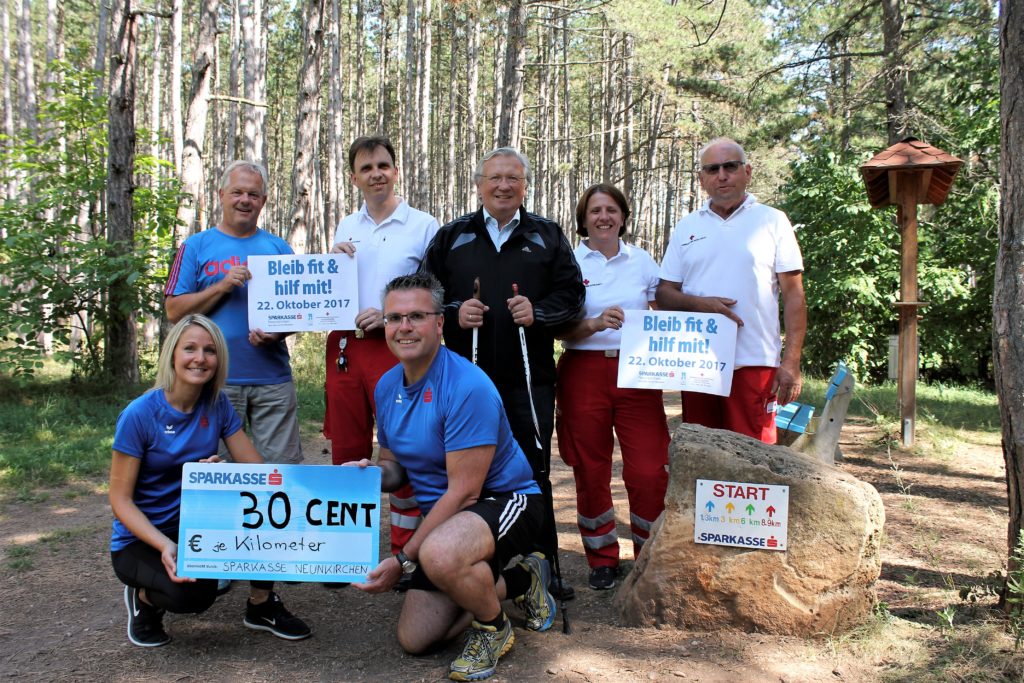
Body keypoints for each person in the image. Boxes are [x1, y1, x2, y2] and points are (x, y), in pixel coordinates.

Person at [348, 273, 556, 682]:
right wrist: (368, 476)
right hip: (451, 521)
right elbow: (395, 468)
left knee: (439, 554)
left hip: (506, 499)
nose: (403, 327)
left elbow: (464, 492)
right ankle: (522, 578)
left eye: (416, 316)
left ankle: (493, 629)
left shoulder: (466, 386)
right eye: (394, 318)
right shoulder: (388, 385)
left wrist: (404, 559)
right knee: (415, 638)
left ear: (439, 323)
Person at [421, 147, 585, 599]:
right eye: (495, 178)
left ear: (525, 185)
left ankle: (543, 564)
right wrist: (454, 312)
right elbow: (424, 295)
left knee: (532, 469)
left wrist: (540, 312)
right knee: (462, 473)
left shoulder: (547, 235)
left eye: (513, 178)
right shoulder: (452, 235)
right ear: (479, 184)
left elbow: (572, 295)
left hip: (527, 378)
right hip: (462, 380)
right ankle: (458, 563)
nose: (503, 186)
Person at [109, 314, 310, 647]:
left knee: (268, 501)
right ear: (172, 354)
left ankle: (261, 604)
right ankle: (143, 600)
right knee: (192, 596)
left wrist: (222, 478)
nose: (200, 358)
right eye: (190, 348)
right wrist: (164, 546)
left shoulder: (217, 406)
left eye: (210, 350)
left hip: (195, 527)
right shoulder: (139, 414)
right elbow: (120, 500)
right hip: (142, 539)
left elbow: (261, 474)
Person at [324, 136, 439, 554]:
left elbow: (430, 291)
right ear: (354, 177)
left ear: (396, 171)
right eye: (367, 167)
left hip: (397, 348)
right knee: (348, 447)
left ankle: (406, 548)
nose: (376, 174)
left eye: (383, 165)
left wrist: (388, 316)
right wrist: (330, 261)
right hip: (344, 348)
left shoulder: (423, 226)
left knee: (402, 444)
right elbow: (331, 291)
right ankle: (345, 550)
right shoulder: (346, 226)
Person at [555, 184, 670, 591]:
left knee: (650, 469)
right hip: (583, 371)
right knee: (590, 468)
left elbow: (667, 308)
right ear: (583, 218)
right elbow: (557, 324)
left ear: (623, 215)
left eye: (611, 210)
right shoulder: (567, 259)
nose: (603, 217)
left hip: (638, 374)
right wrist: (594, 323)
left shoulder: (641, 261)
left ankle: (647, 554)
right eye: (594, 211)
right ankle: (602, 557)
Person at [656, 137, 807, 444]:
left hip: (754, 361)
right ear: (701, 179)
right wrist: (703, 305)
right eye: (712, 169)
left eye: (730, 166)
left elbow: (794, 296)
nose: (721, 175)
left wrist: (790, 361)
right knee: (702, 453)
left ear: (747, 172)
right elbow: (664, 293)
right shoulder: (687, 227)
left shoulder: (773, 221)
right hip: (698, 360)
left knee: (756, 455)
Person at [164, 160, 302, 464]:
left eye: (253, 195)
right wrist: (221, 286)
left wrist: (277, 333)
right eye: (237, 192)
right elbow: (174, 310)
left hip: (272, 379)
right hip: (213, 381)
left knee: (282, 473)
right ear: (221, 194)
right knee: (217, 473)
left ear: (263, 202)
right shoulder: (196, 246)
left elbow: (298, 313)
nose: (245, 200)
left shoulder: (279, 249)